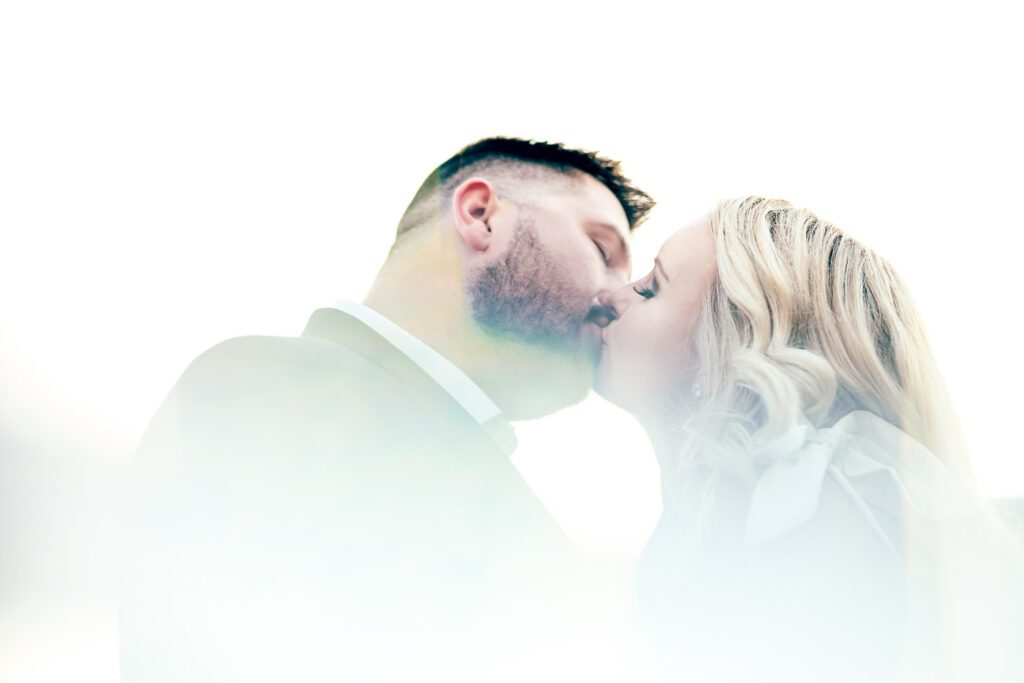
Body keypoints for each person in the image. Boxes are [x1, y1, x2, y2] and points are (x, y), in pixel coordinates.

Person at [120, 137, 654, 682]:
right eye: (603, 250)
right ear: (480, 216)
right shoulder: (274, 387)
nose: (619, 296)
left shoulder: (450, 458)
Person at [595, 196, 1024, 682]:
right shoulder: (703, 518)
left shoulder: (819, 504)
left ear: (734, 338)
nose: (611, 297)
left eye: (652, 288)